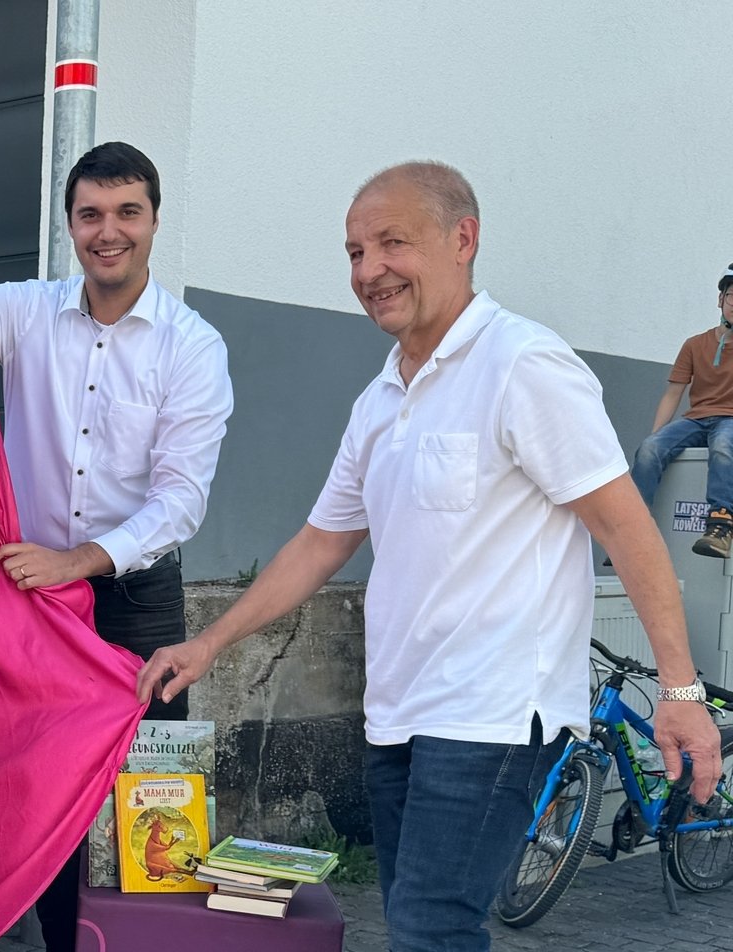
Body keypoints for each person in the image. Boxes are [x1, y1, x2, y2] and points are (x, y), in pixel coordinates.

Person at [136, 161, 724, 952]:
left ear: (462, 239)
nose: (369, 270)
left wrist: (681, 692)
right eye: (353, 253)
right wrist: (210, 642)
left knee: (428, 931)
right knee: (422, 924)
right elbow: (321, 542)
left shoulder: (524, 364)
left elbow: (627, 530)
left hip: (493, 716)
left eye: (391, 243)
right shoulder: (381, 397)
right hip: (399, 714)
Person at [0, 141, 234, 951]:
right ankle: (64, 939)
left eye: (127, 212)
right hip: (32, 601)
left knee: (152, 796)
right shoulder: (26, 311)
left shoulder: (192, 347)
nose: (110, 231)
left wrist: (84, 559)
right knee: (39, 787)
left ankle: (145, 940)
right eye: (91, 214)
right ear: (70, 224)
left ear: (154, 221)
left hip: (139, 600)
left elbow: (181, 500)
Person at [629, 263, 733, 558]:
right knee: (650, 448)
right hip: (697, 419)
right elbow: (673, 393)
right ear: (720, 299)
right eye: (732, 296)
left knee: (725, 447)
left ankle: (720, 526)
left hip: (730, 421)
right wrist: (656, 436)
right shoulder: (694, 344)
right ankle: (635, 529)